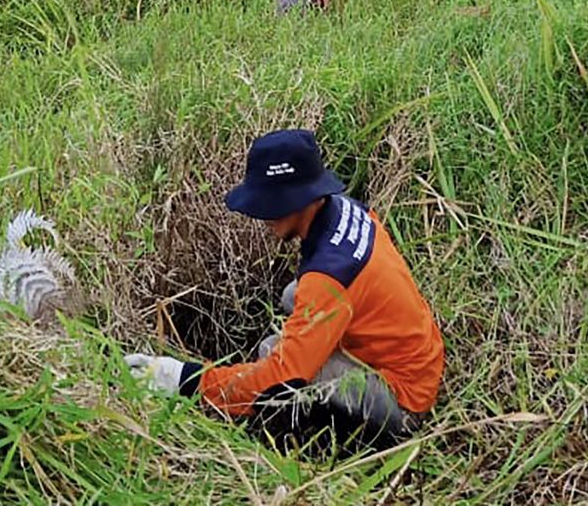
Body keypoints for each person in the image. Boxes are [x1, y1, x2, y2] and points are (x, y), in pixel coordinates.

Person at [125, 129, 444, 450]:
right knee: (293, 300)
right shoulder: (347, 211)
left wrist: (183, 379)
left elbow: (279, 379)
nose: (262, 217)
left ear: (300, 199)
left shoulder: (329, 276)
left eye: (271, 205)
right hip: (419, 356)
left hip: (403, 398)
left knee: (278, 378)